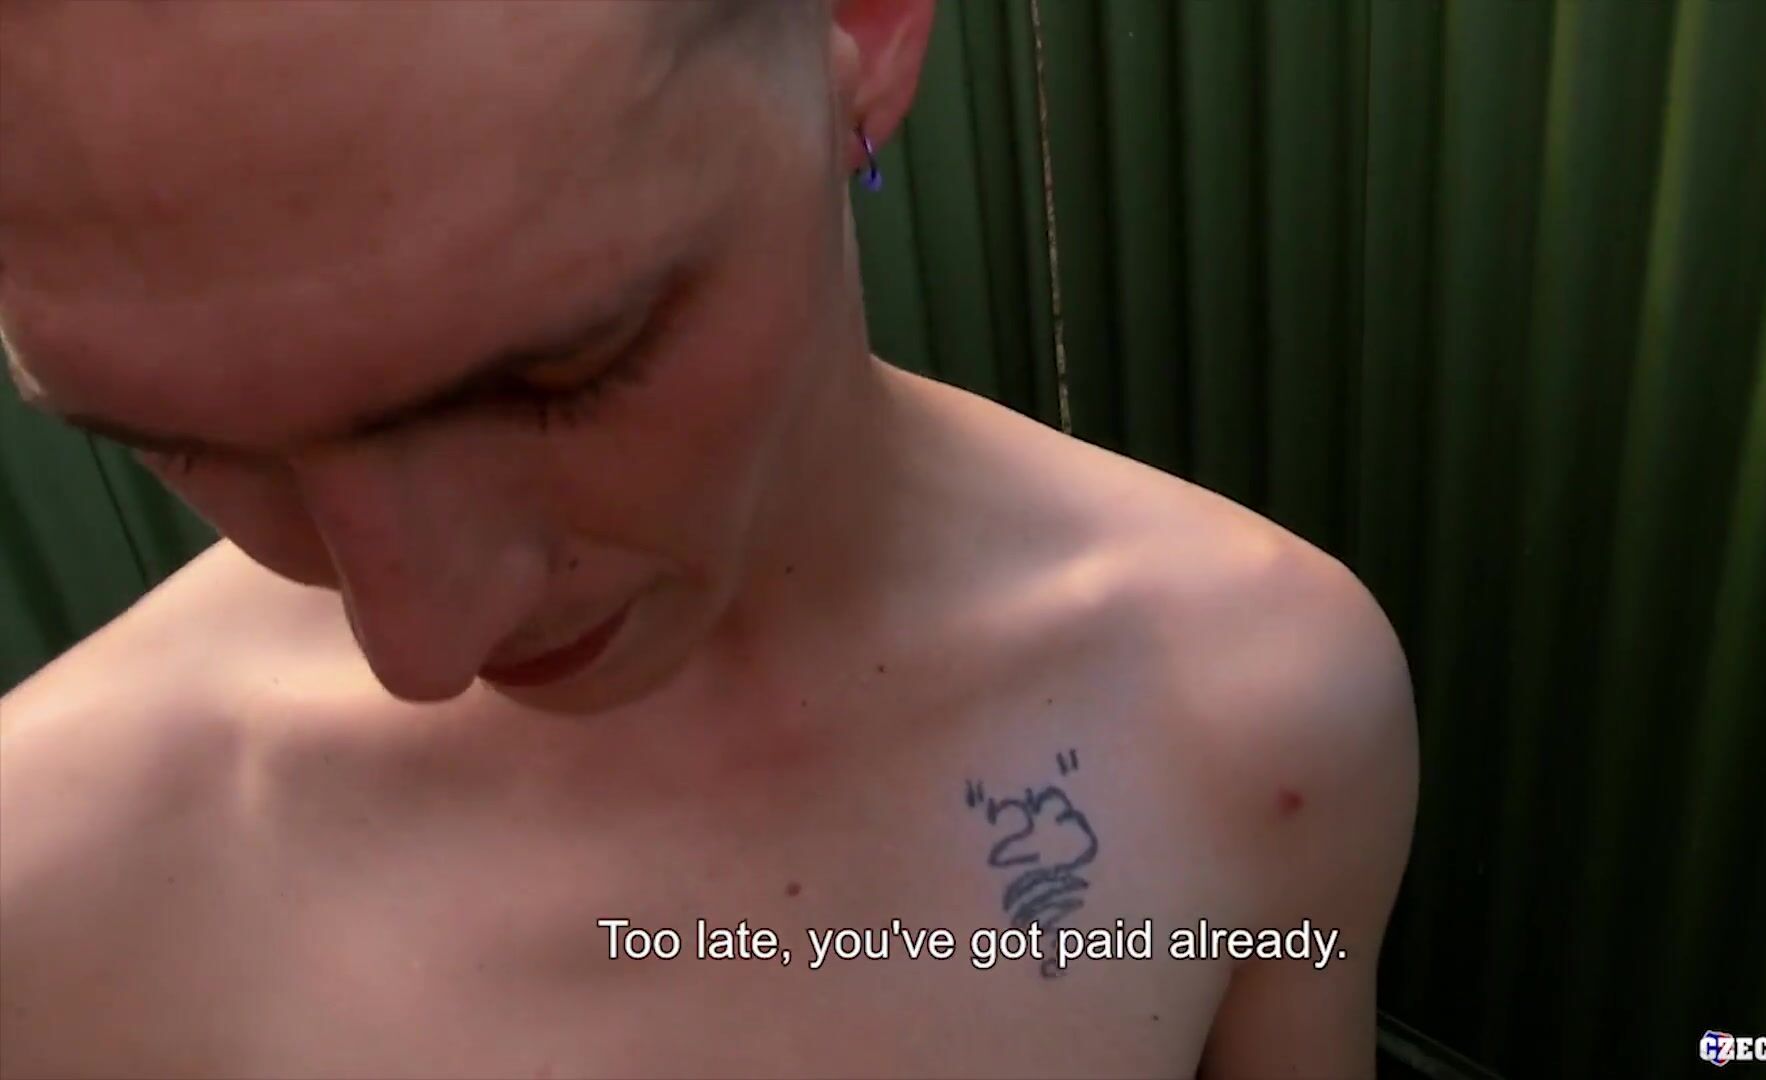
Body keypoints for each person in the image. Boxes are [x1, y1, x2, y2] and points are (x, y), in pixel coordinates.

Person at [0, 2, 1417, 1076]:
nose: (419, 646)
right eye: (170, 435)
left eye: (563, 368)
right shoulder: (45, 899)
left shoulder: (1259, 715)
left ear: (857, 22)